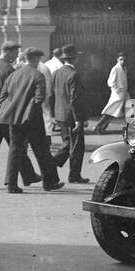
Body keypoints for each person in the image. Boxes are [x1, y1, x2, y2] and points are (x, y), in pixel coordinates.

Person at [0, 48, 62, 194]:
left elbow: (2, 97)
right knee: (42, 151)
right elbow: (39, 98)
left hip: (14, 119)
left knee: (15, 150)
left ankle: (11, 184)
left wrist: (12, 109)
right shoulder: (38, 75)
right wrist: (29, 111)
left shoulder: (13, 75)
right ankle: (48, 182)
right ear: (36, 59)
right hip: (32, 119)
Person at [0, 42, 38, 188]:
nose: (16, 56)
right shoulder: (9, 70)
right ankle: (27, 175)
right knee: (16, 146)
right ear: (7, 52)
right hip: (4, 114)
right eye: (14, 53)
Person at [51, 46, 87, 184]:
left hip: (60, 115)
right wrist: (78, 120)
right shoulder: (74, 75)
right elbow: (75, 99)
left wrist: (54, 115)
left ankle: (50, 165)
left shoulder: (56, 73)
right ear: (74, 58)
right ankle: (74, 175)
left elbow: (52, 96)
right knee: (77, 146)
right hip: (72, 116)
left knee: (67, 143)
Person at [94, 53, 128, 134]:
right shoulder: (115, 69)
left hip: (123, 94)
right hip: (117, 95)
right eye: (121, 59)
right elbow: (110, 82)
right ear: (117, 59)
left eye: (124, 60)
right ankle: (98, 127)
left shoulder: (124, 68)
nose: (122, 61)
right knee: (110, 112)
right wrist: (117, 90)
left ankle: (101, 127)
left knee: (114, 112)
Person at [42, 46, 64, 132]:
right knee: (55, 107)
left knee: (49, 108)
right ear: (61, 55)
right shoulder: (59, 65)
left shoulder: (47, 63)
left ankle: (51, 124)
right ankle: (54, 123)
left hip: (46, 88)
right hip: (55, 89)